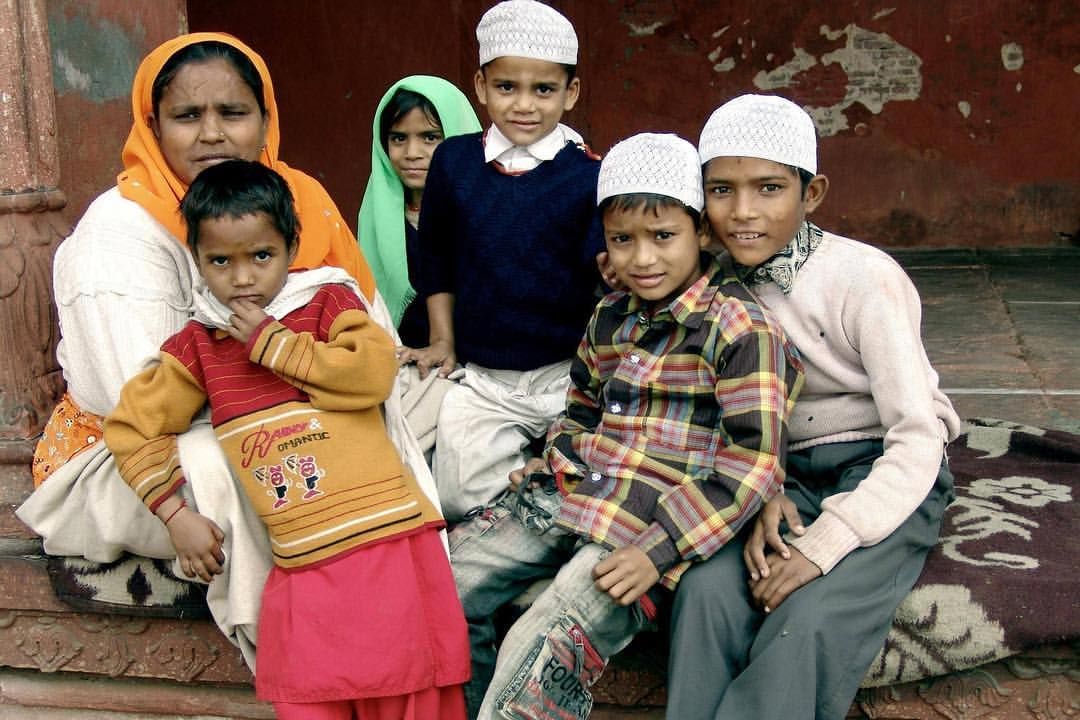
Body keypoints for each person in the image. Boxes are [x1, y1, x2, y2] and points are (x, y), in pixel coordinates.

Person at [16, 32, 431, 669]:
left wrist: (331, 393)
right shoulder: (118, 229)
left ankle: (409, 624)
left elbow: (372, 341)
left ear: (266, 120)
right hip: (136, 454)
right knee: (250, 458)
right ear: (153, 127)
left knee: (433, 413)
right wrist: (308, 401)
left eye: (233, 114)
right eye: (187, 116)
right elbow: (132, 397)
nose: (212, 134)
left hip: (293, 404)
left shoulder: (299, 202)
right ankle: (304, 654)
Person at [449, 133, 803, 719]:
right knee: (444, 586)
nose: (641, 259)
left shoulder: (742, 330)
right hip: (570, 495)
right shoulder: (610, 316)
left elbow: (753, 466)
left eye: (663, 237)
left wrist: (657, 553)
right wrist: (556, 456)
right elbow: (583, 404)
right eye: (622, 240)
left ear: (703, 234)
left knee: (543, 643)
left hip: (644, 531)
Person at [103, 159, 469, 719]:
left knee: (406, 690)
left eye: (261, 256)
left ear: (292, 244)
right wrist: (175, 515)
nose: (243, 277)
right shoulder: (200, 345)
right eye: (219, 260)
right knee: (308, 695)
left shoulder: (327, 304)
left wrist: (274, 345)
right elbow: (132, 427)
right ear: (196, 259)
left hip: (385, 543)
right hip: (300, 559)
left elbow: (373, 374)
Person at [665, 94, 962, 720]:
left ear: (813, 192)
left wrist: (827, 542)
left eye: (769, 188)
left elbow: (917, 436)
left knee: (807, 619)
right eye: (720, 190)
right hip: (779, 473)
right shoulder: (710, 284)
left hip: (881, 466)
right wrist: (762, 487)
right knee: (705, 594)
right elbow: (717, 413)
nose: (743, 212)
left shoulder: (863, 278)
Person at [413, 0, 606, 520]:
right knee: (457, 498)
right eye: (507, 88)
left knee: (590, 488)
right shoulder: (453, 162)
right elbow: (435, 257)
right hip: (484, 376)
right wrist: (443, 342)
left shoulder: (590, 176)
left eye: (543, 90)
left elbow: (602, 282)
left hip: (568, 376)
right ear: (480, 87)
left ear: (571, 93)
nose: (525, 105)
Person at [358, 76, 481, 455]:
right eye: (398, 138)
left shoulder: (484, 209)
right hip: (401, 358)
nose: (412, 152)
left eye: (430, 137)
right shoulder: (377, 212)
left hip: (476, 365)